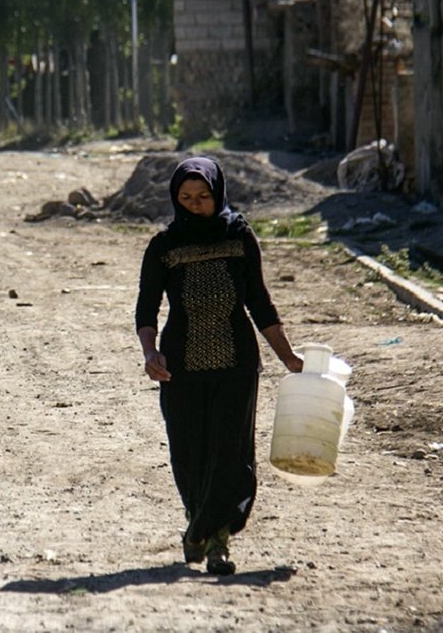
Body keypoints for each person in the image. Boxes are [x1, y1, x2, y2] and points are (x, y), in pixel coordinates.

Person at [134, 156, 302, 575]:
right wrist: (149, 353)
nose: (194, 204)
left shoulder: (240, 237)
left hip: (236, 364)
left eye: (203, 197)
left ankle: (214, 545)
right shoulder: (164, 246)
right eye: (185, 197)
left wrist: (288, 356)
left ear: (218, 193)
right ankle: (199, 527)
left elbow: (260, 303)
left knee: (230, 458)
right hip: (181, 367)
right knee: (191, 455)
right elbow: (146, 307)